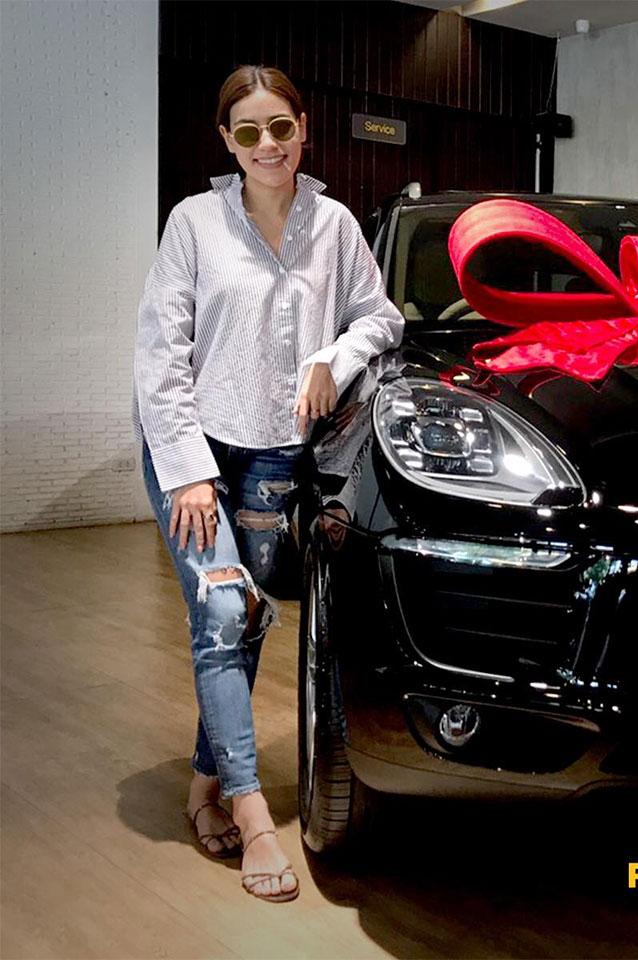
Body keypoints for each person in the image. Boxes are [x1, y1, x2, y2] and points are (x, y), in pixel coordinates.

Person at [132, 64, 404, 902]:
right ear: (227, 140)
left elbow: (381, 317)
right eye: (247, 131)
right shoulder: (194, 222)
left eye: (280, 127)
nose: (267, 145)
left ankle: (202, 785)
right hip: (194, 451)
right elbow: (160, 354)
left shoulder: (334, 225)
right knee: (222, 611)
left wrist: (333, 356)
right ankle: (251, 813)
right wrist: (187, 473)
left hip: (278, 455)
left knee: (244, 622)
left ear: (303, 129)